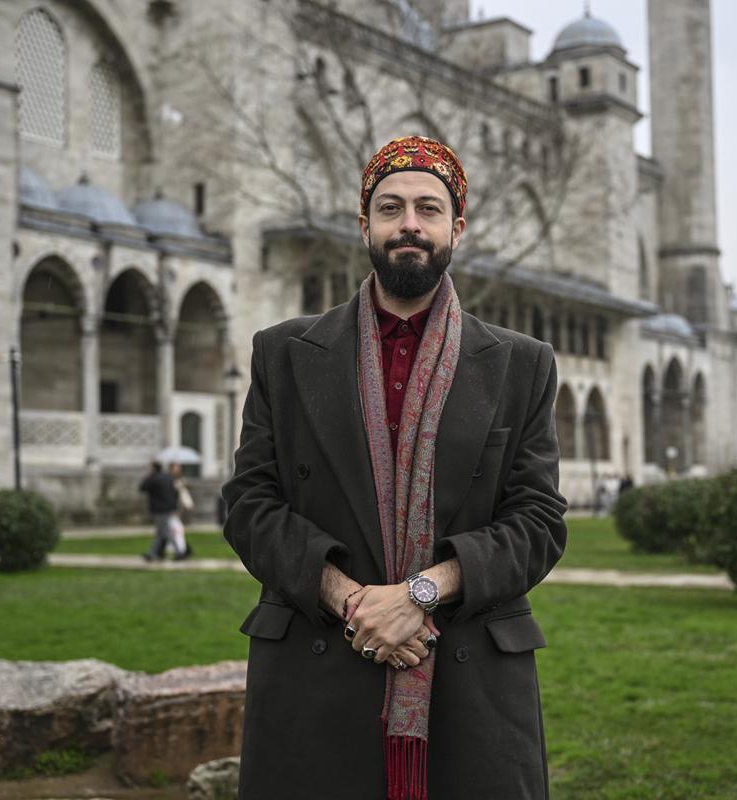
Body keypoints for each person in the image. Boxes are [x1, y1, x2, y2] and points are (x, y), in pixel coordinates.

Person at [222, 135, 567, 800]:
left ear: (456, 229)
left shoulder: (522, 365)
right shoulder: (284, 354)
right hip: (318, 669)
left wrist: (419, 594)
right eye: (390, 208)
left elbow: (538, 522)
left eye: (428, 209)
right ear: (365, 226)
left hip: (469, 681)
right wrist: (352, 602)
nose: (409, 223)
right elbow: (250, 505)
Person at [139, 460, 179, 562]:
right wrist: (174, 507)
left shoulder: (153, 478)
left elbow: (142, 488)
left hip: (159, 509)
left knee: (165, 532)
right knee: (160, 532)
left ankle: (179, 551)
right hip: (168, 507)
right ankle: (155, 553)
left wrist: (146, 478)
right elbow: (175, 493)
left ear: (153, 468)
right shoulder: (168, 477)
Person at [169, 461, 195, 561]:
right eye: (176, 468)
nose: (178, 470)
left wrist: (188, 504)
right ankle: (181, 550)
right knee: (176, 529)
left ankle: (180, 550)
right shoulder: (170, 481)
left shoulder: (179, 481)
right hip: (171, 509)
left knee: (175, 530)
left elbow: (183, 494)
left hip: (176, 509)